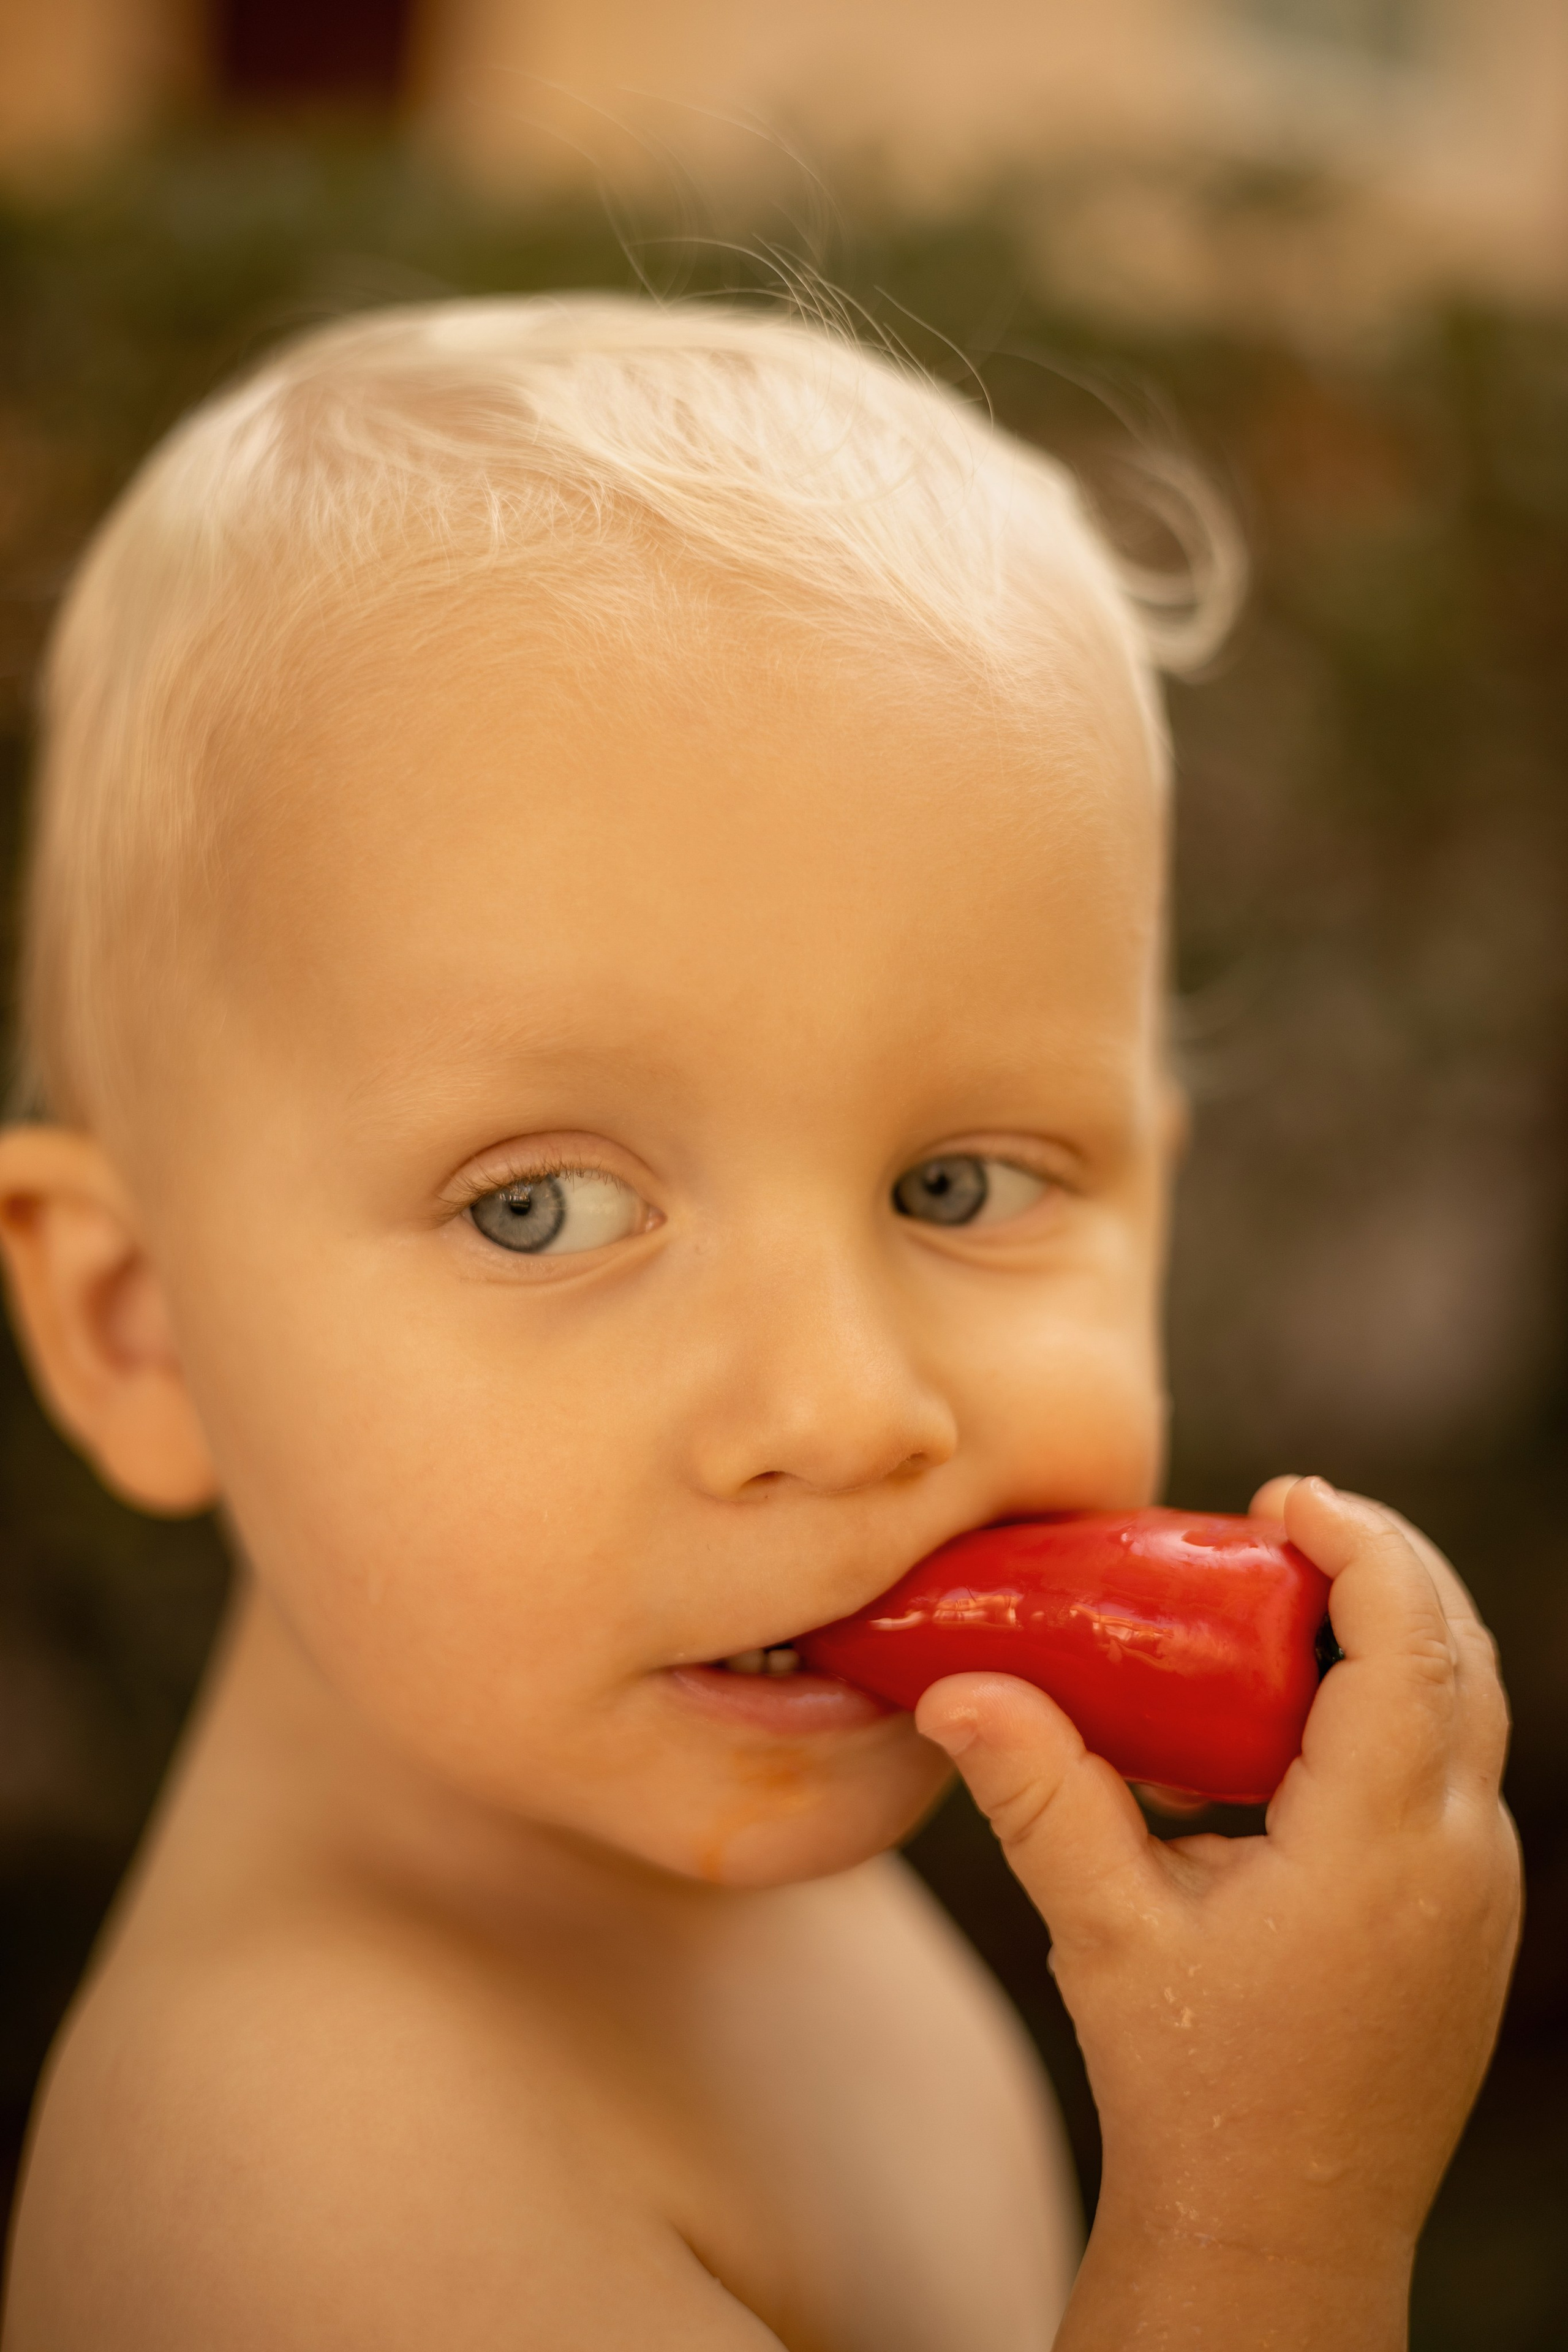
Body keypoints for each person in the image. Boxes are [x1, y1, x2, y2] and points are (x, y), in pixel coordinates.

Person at [0, 296, 1518, 2350]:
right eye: (540, 1208)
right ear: (135, 1326)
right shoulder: (333, 2192)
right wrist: (1269, 2227)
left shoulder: (715, 1887)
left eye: (961, 1185)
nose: (841, 1408)